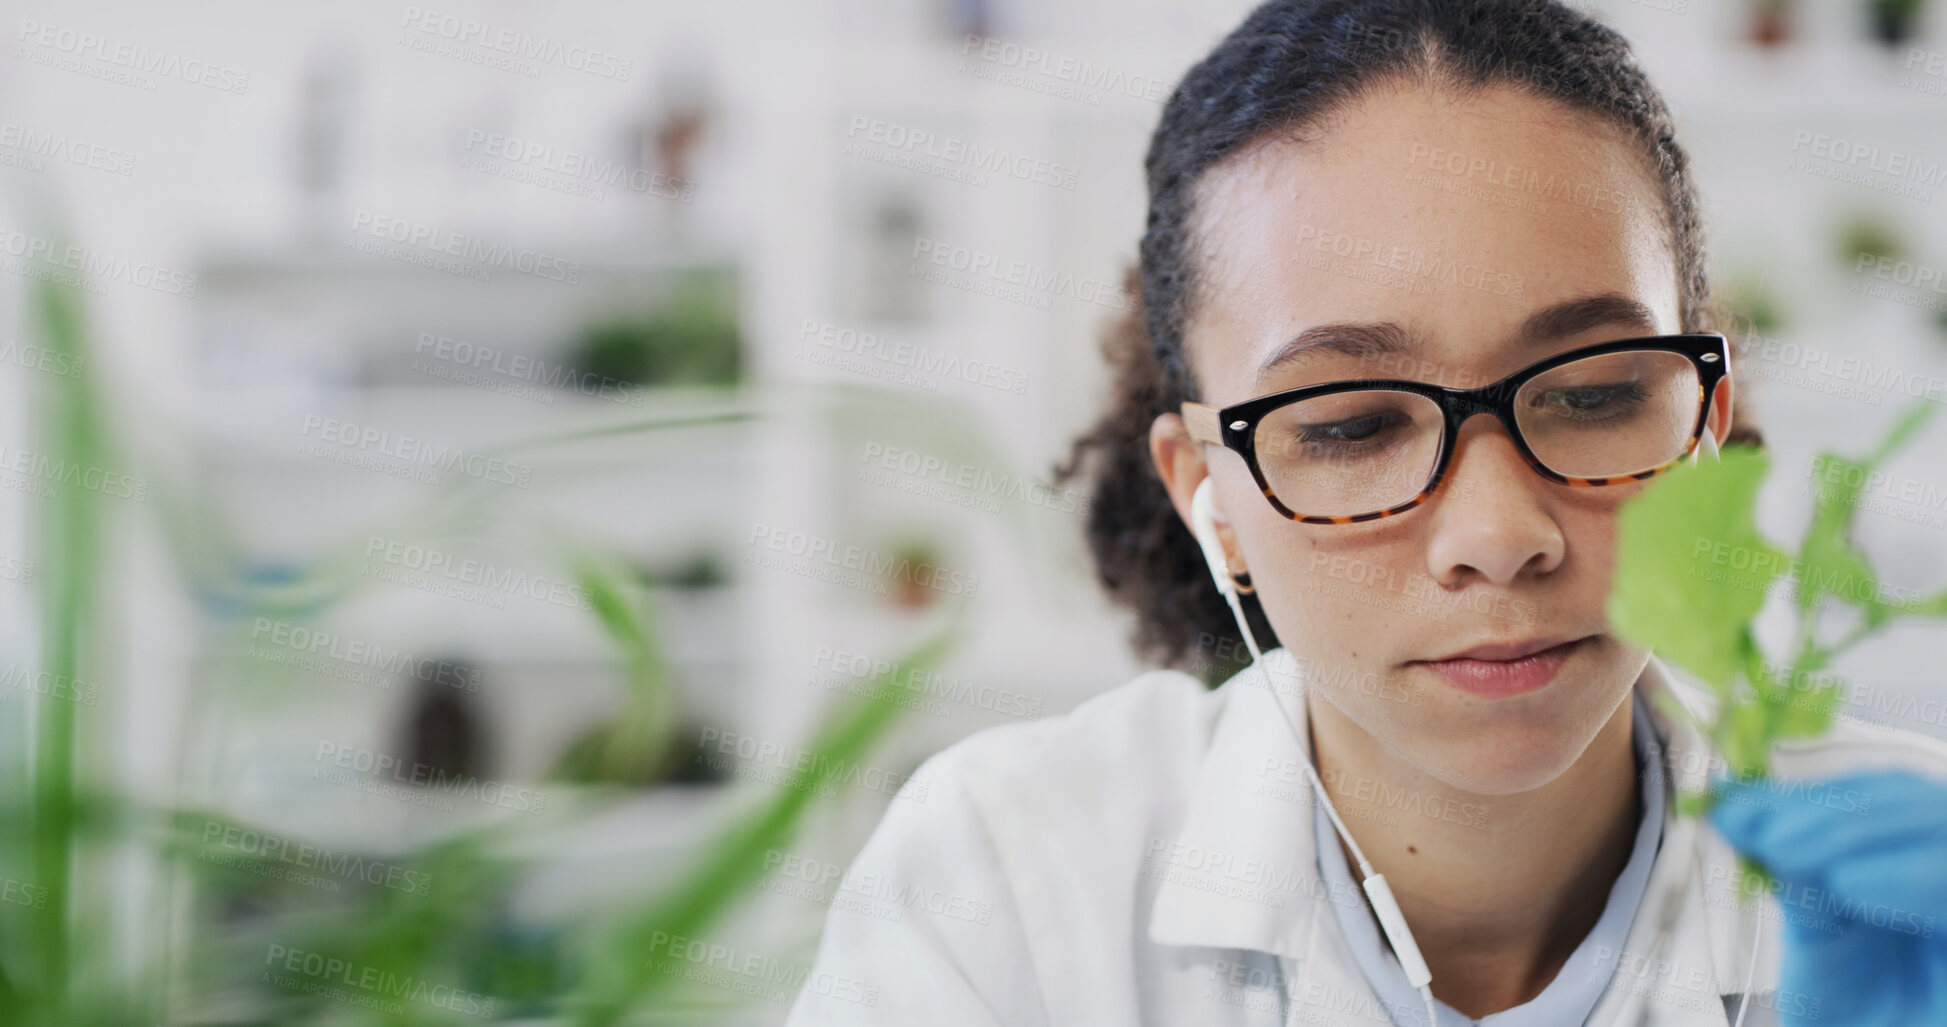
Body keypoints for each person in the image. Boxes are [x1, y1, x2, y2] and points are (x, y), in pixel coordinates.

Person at [786, 1, 1947, 1024]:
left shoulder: (1916, 877)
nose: (1500, 533)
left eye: (1593, 393)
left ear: (1702, 428)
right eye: (1348, 425)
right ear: (1209, 496)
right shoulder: (1001, 888)